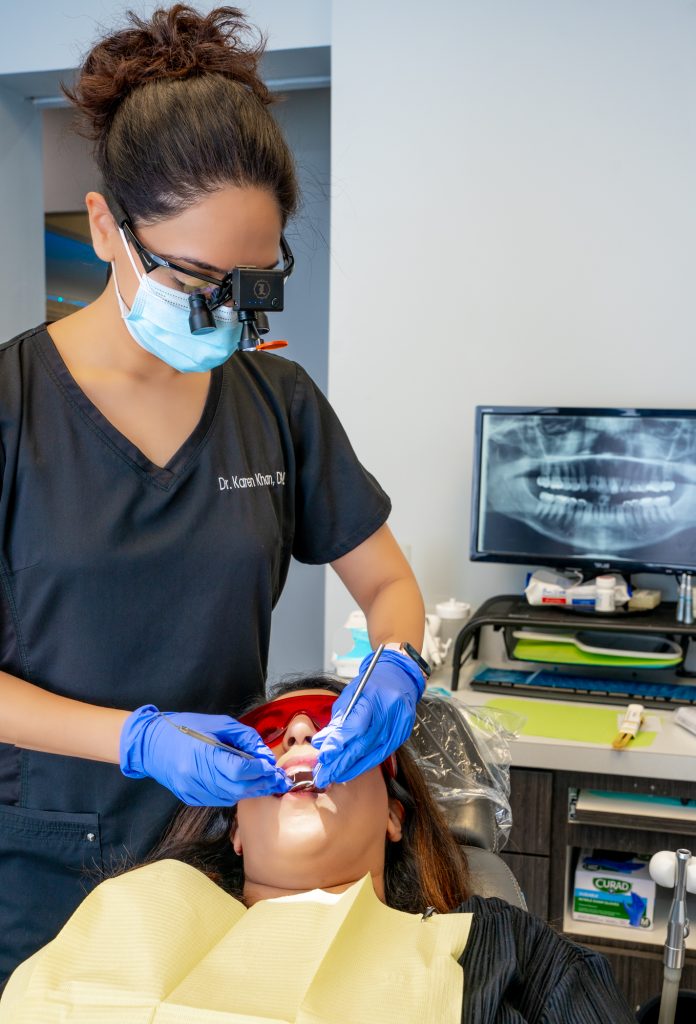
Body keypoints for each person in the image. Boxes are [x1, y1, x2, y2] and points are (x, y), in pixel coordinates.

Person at [0, 5, 427, 980]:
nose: (226, 316)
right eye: (196, 279)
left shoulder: (276, 403)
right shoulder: (13, 407)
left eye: (253, 284)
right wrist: (136, 738)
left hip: (221, 848)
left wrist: (398, 667)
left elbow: (390, 590)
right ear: (107, 226)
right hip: (43, 863)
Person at [0, 678, 637, 1023]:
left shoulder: (498, 948)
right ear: (238, 833)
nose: (302, 732)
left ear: (393, 814)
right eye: (273, 735)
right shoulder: (138, 907)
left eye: (335, 728)